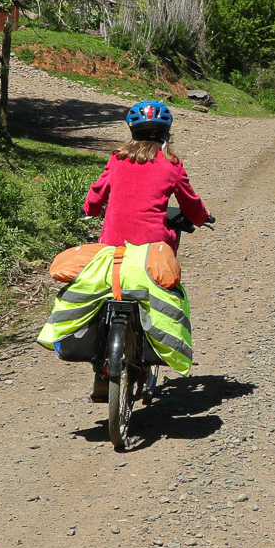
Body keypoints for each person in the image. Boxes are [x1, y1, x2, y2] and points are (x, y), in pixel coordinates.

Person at [79, 100, 212, 399]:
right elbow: (190, 203)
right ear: (166, 134)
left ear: (132, 132)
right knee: (163, 293)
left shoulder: (117, 159)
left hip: (113, 247)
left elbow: (97, 194)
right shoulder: (172, 165)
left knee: (104, 295)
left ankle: (100, 369)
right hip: (153, 249)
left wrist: (90, 209)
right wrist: (202, 218)